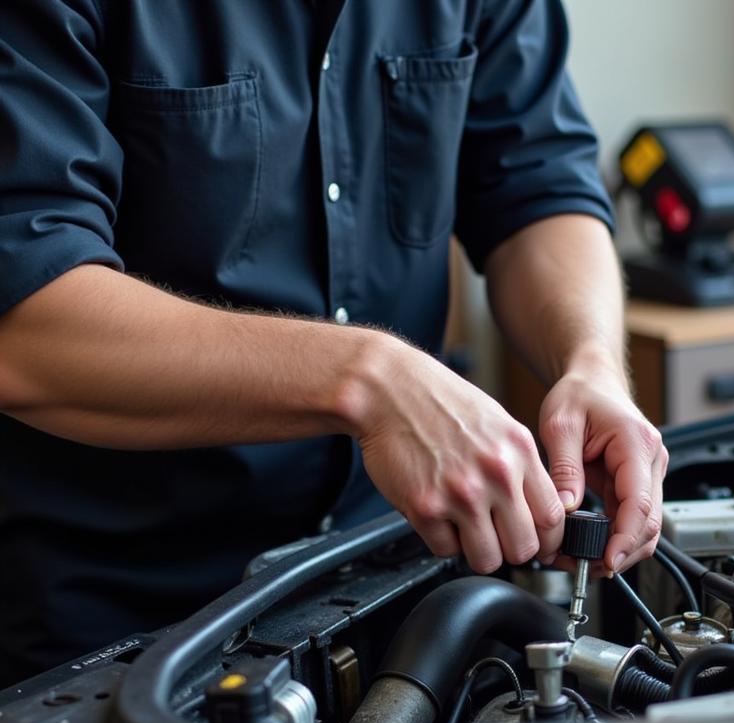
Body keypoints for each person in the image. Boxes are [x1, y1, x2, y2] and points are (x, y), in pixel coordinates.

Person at [0, 0, 668, 686]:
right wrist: (371, 381)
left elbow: (539, 184)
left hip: (388, 576)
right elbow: (24, 320)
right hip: (117, 615)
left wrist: (591, 363)